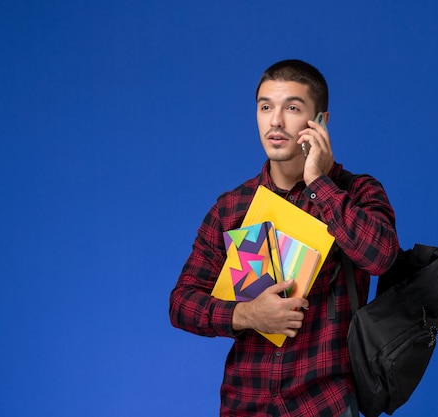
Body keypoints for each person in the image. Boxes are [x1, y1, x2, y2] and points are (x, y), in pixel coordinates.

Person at [169, 59, 399, 417]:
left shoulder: (356, 192)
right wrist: (247, 315)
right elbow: (181, 304)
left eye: (292, 107)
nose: (275, 121)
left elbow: (381, 257)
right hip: (245, 405)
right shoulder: (232, 207)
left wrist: (320, 183)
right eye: (265, 107)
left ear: (320, 121)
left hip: (326, 405)